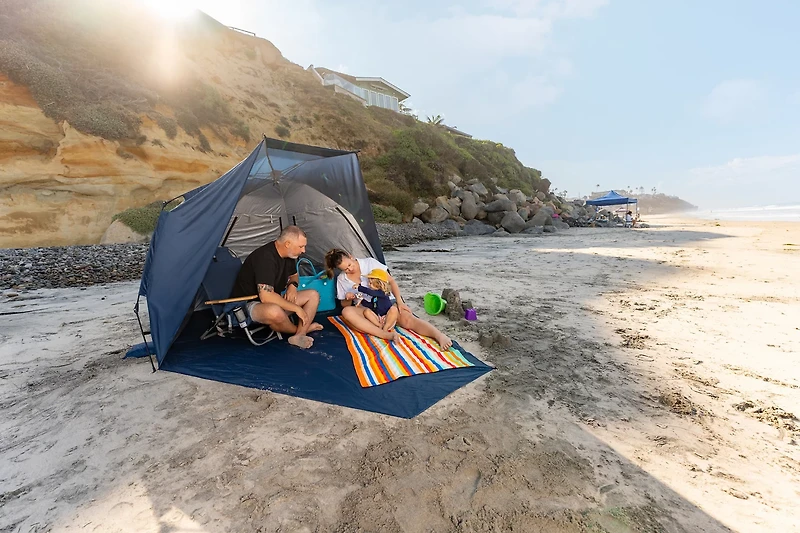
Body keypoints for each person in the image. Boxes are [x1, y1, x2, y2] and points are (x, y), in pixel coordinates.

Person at [324, 249, 452, 349]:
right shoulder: (342, 279)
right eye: (345, 269)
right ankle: (384, 333)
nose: (350, 269)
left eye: (350, 265)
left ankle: (439, 335)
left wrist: (400, 302)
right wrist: (348, 298)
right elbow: (345, 305)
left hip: (386, 304)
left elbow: (391, 281)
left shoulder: (369, 263)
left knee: (408, 319)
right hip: (368, 310)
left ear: (351, 256)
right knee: (346, 313)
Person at [230, 226, 323, 349]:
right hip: (249, 304)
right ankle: (300, 329)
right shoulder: (265, 258)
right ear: (288, 244)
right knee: (275, 312)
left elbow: (294, 276)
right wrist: (296, 309)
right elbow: (266, 296)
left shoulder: (289, 256)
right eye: (301, 246)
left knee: (313, 295)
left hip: (275, 298)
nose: (304, 250)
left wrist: (292, 286)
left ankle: (300, 334)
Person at [350, 269, 399, 334]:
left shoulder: (382, 293)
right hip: (378, 318)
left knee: (394, 309)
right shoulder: (375, 297)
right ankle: (379, 326)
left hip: (387, 318)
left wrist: (359, 287)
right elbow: (371, 306)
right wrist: (362, 300)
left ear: (379, 284)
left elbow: (371, 292)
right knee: (367, 311)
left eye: (371, 283)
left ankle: (385, 328)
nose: (368, 284)